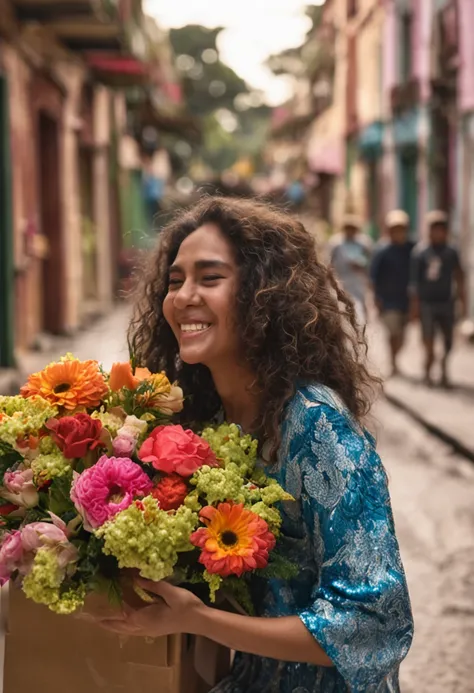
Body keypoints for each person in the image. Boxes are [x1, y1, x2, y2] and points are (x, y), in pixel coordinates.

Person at [98, 198, 413, 692]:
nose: (183, 297)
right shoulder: (203, 421)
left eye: (210, 277)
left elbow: (374, 625)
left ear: (262, 293)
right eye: (176, 280)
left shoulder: (317, 428)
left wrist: (198, 619)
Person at [411, 210, 466, 388]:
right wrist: (415, 307)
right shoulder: (420, 252)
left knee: (449, 340)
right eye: (434, 229)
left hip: (446, 302)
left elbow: (459, 275)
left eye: (441, 229)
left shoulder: (451, 252)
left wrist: (463, 301)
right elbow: (414, 282)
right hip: (427, 302)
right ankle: (428, 371)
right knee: (428, 339)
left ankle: (443, 367)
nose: (437, 233)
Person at [371, 210, 415, 376]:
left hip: (406, 299)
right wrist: (376, 298)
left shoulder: (412, 248)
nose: (398, 233)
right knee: (392, 332)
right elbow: (373, 277)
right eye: (395, 229)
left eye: (401, 229)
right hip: (388, 300)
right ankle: (393, 361)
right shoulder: (382, 250)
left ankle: (395, 357)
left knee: (403, 335)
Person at [329, 215, 372, 323]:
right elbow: (329, 262)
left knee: (360, 303)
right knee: (342, 304)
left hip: (358, 279)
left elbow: (370, 261)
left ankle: (362, 325)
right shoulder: (336, 243)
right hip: (341, 278)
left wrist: (363, 267)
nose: (350, 231)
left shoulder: (364, 243)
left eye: (352, 229)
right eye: (348, 229)